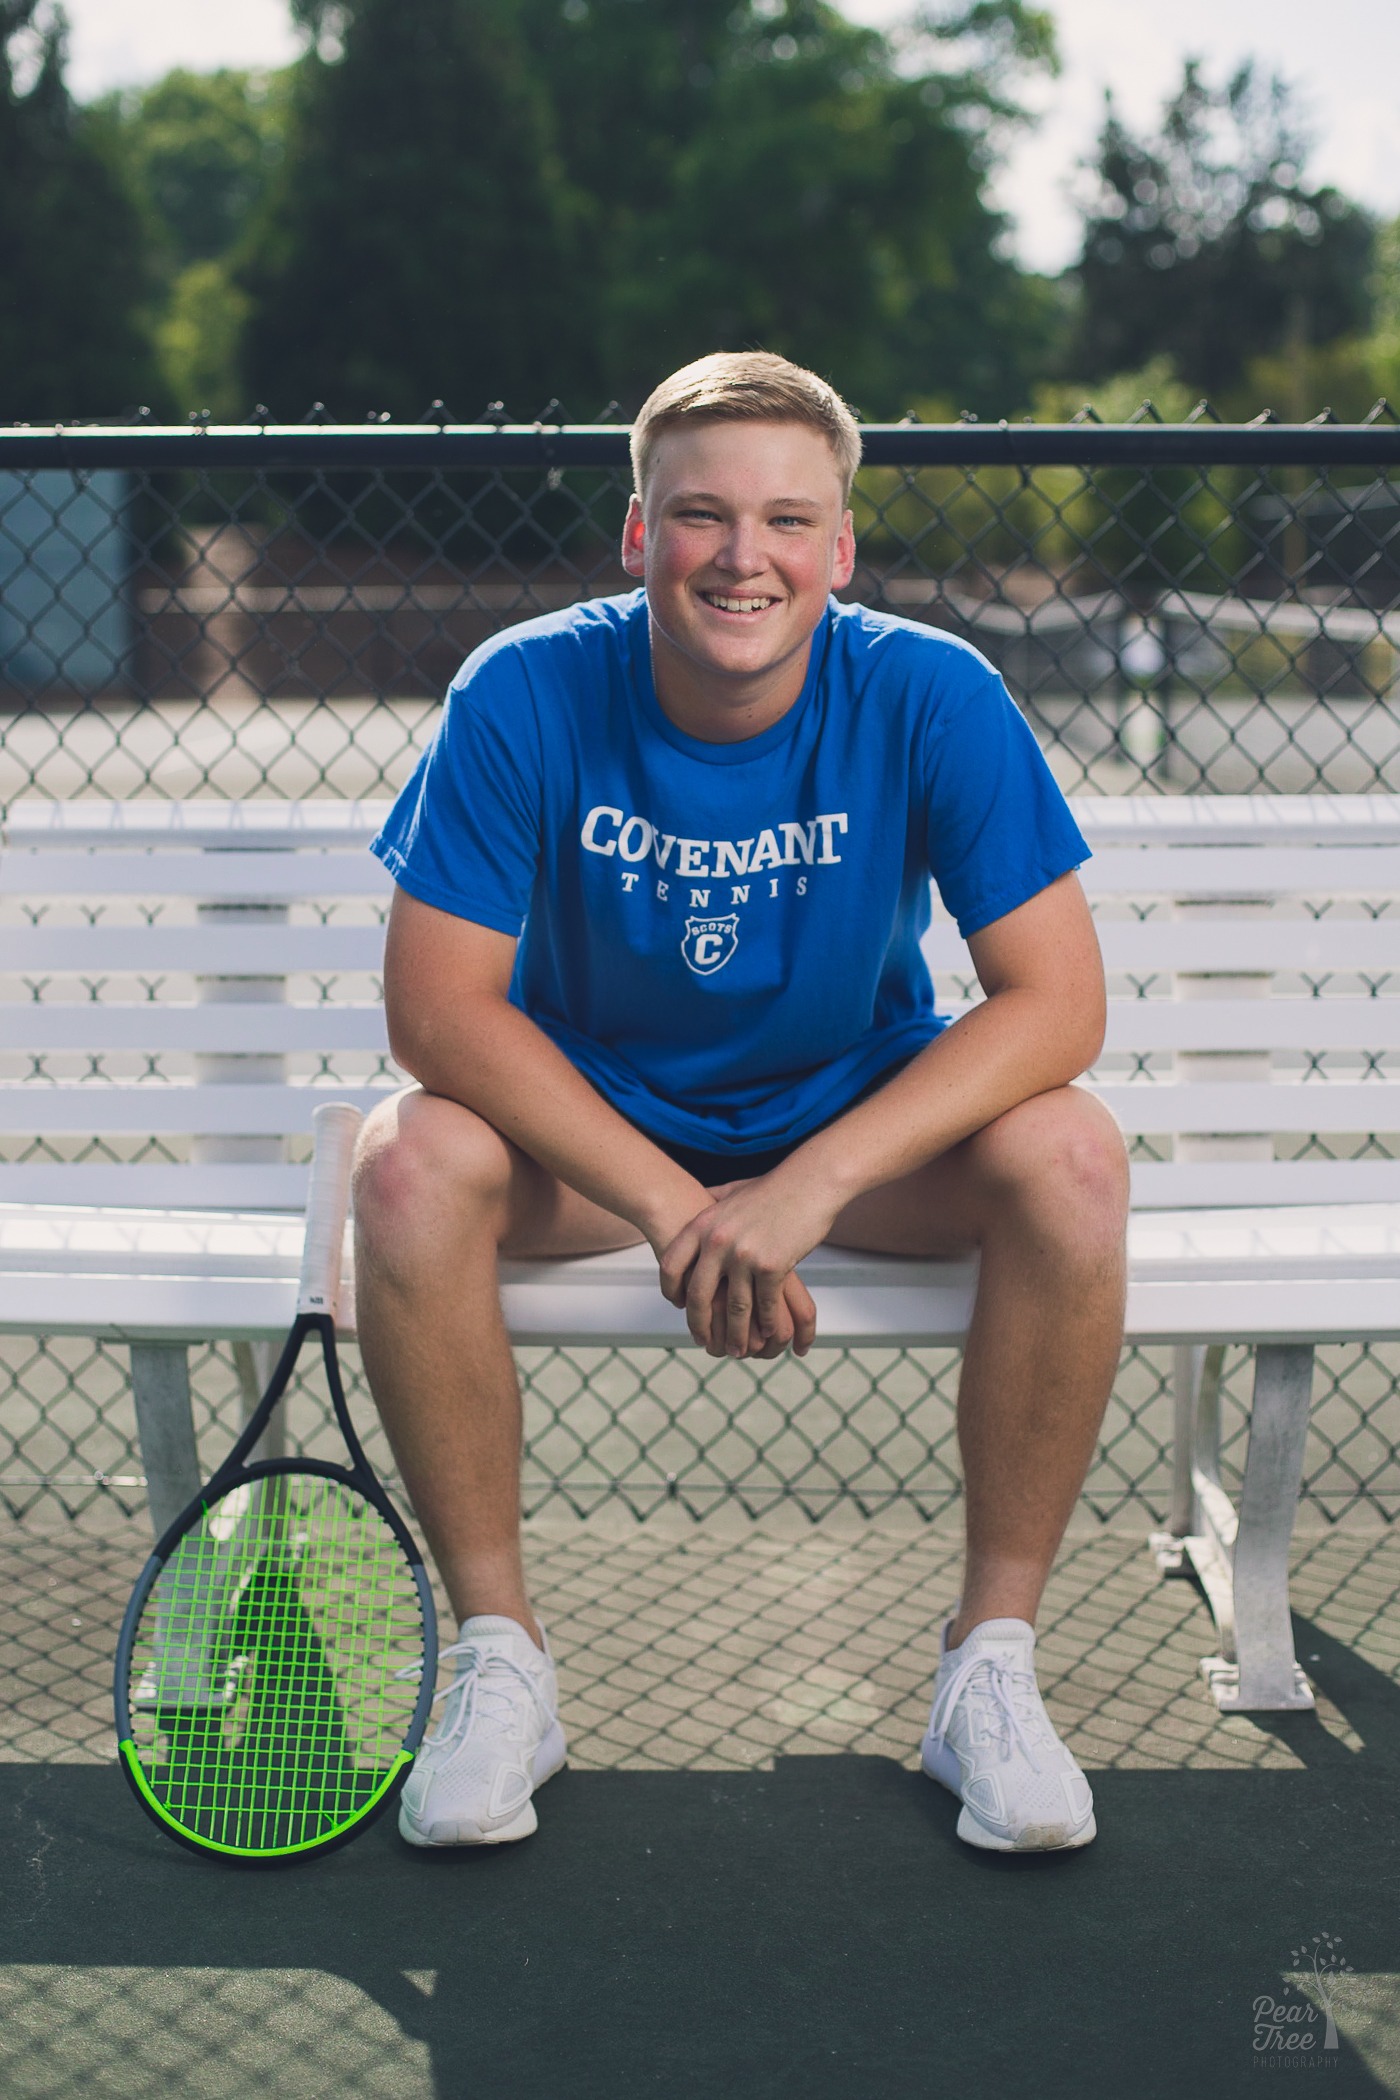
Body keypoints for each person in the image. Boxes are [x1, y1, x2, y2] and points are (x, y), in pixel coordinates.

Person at [356, 350, 1129, 1856]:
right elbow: (436, 1012)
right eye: (702, 516)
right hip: (599, 1144)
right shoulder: (523, 688)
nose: (744, 556)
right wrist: (676, 1203)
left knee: (1074, 1155)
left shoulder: (929, 692)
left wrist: (812, 1185)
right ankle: (502, 1664)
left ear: (839, 550)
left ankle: (991, 1672)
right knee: (407, 1165)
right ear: (640, 536)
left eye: (787, 521)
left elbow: (1059, 1004)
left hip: (851, 1129)